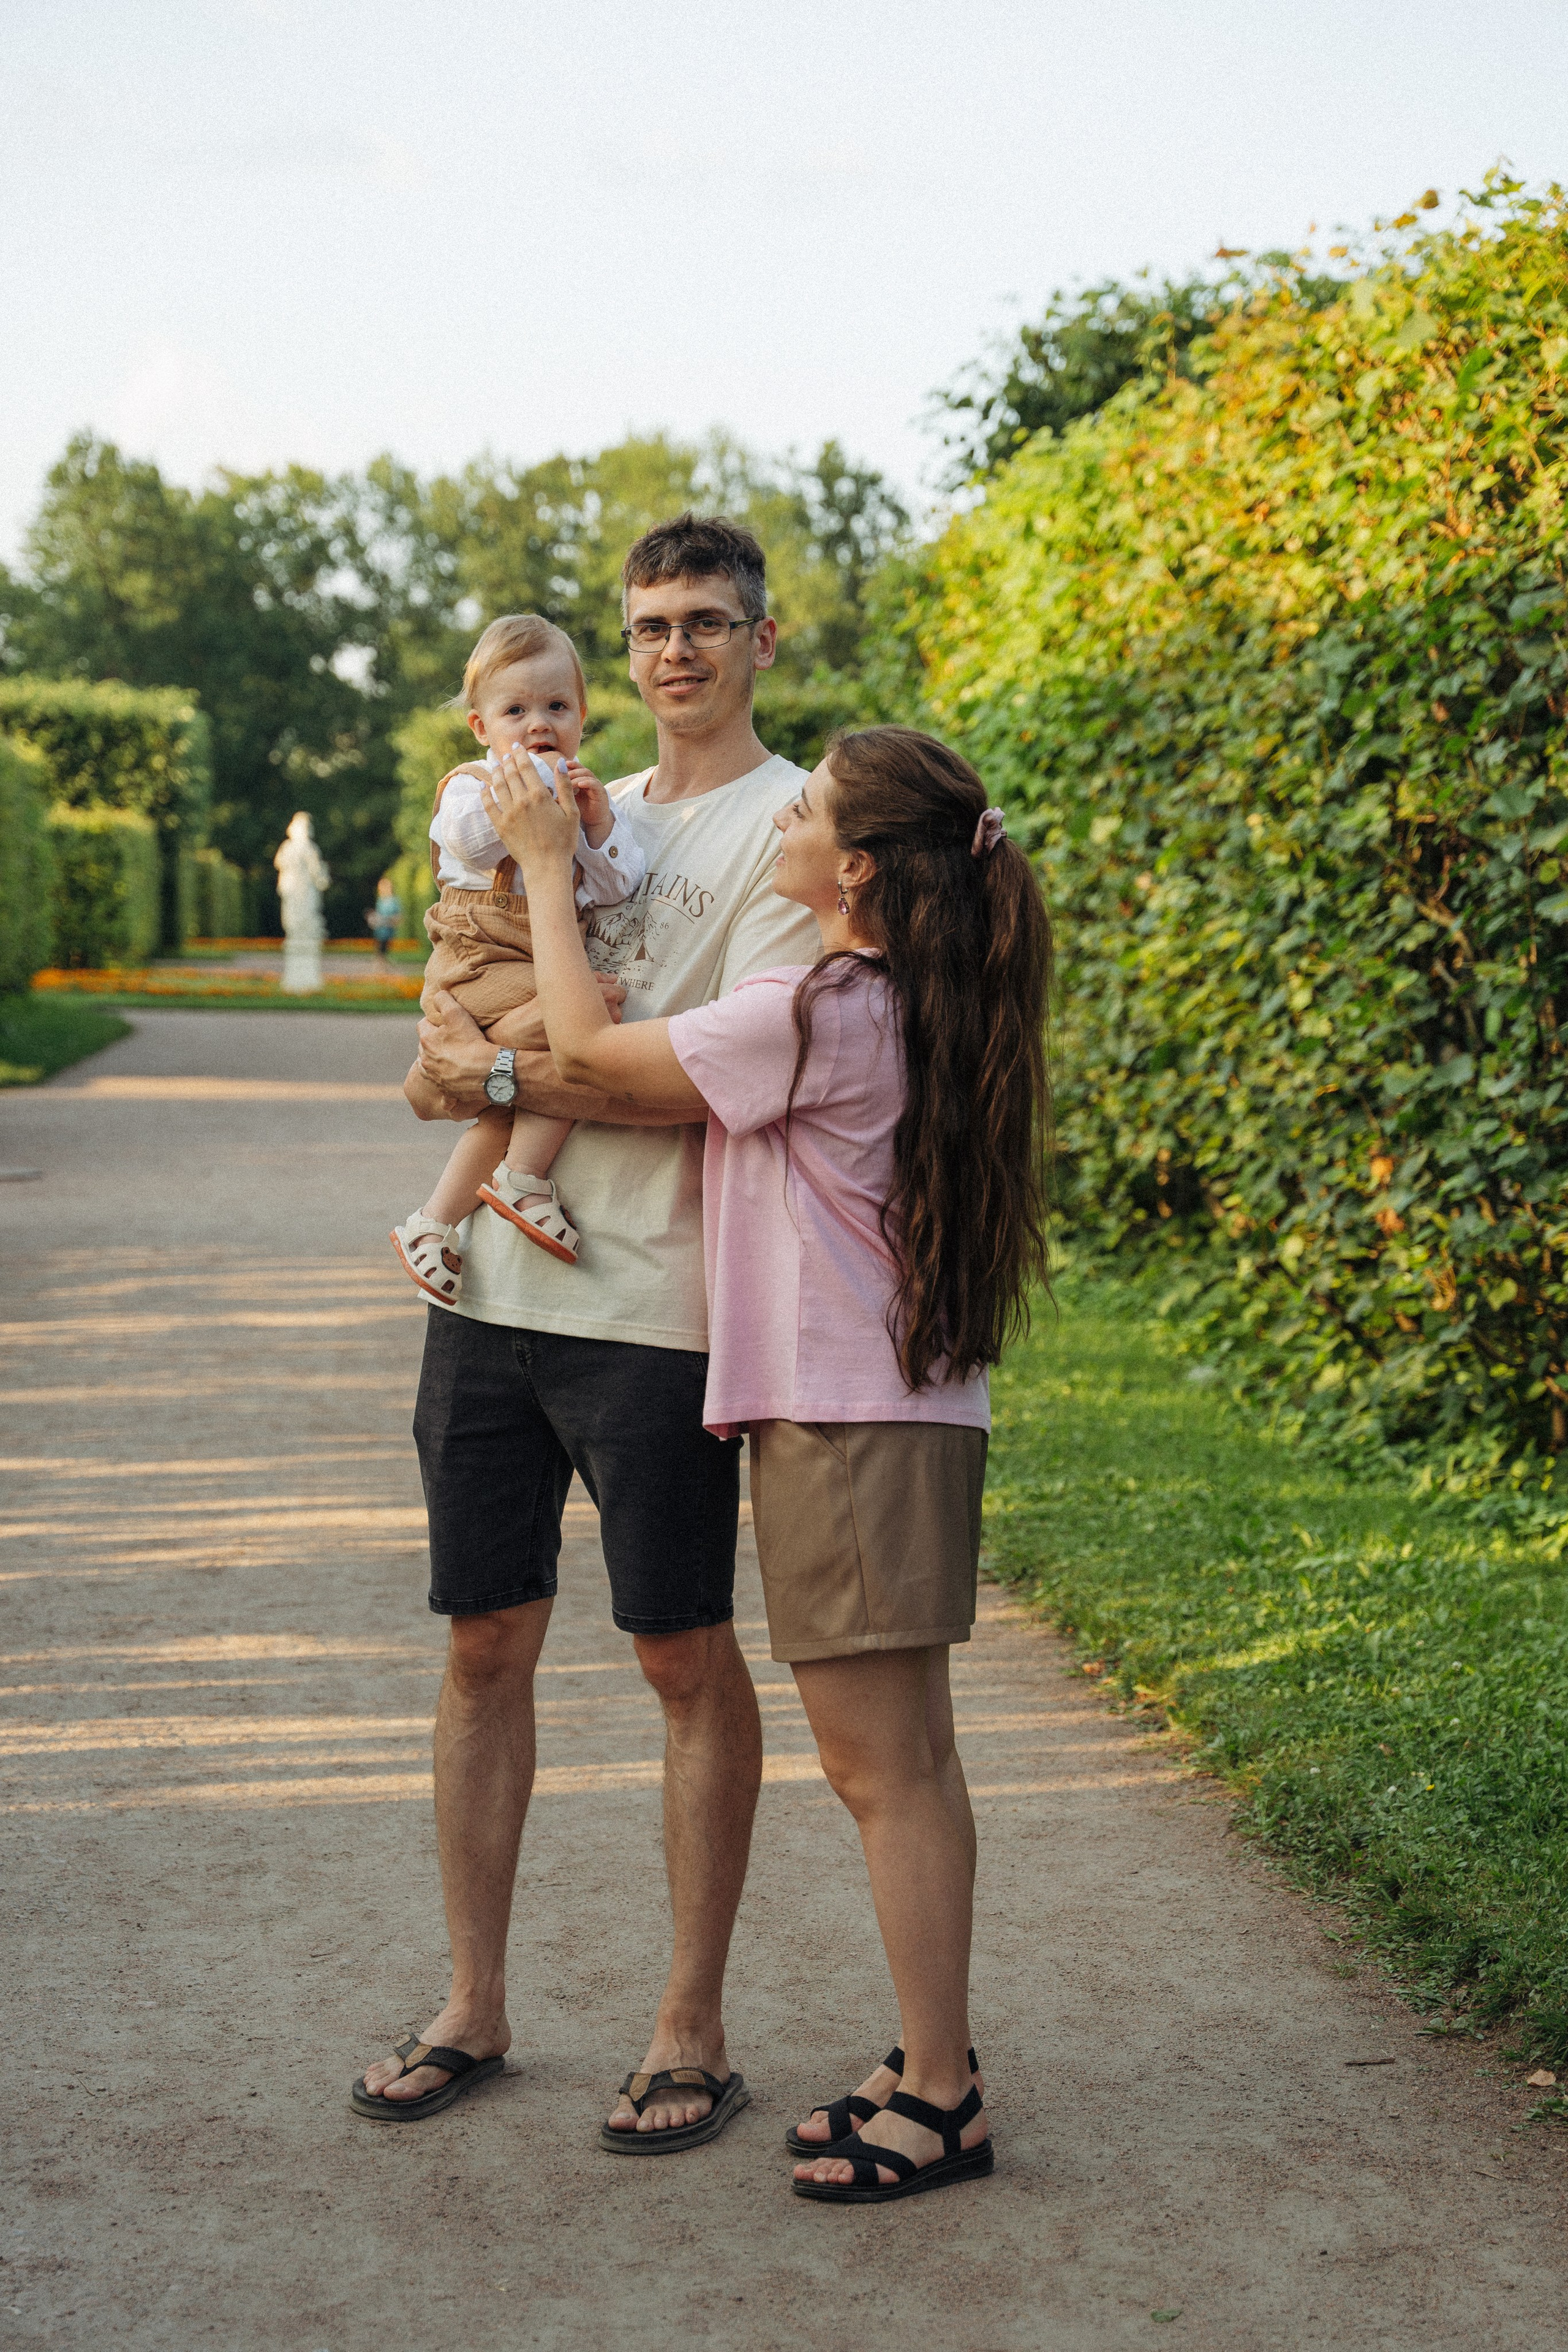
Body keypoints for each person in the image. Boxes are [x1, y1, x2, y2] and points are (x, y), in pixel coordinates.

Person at [484, 720, 1052, 2202]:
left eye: (803, 810)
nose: (783, 821)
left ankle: (939, 2096)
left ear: (851, 869)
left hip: (846, 1420)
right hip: (879, 1412)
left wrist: (546, 868)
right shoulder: (874, 998)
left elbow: (592, 1051)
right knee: (908, 1757)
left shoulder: (808, 1004)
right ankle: (935, 2057)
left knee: (882, 1771)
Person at [350, 516, 820, 2146]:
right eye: (648, 626)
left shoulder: (793, 824)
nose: (672, 650)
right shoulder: (553, 786)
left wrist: (485, 1066)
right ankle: (473, 2006)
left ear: (764, 639)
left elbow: (690, 1078)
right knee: (485, 1639)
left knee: (678, 1653)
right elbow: (447, 1032)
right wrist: (484, 1069)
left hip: (661, 1302)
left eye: (705, 621)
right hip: (492, 1287)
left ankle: (690, 2026)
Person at [389, 616, 647, 1292]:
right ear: (480, 728)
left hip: (532, 965)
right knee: (584, 1027)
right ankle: (523, 1179)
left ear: (582, 716)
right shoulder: (471, 787)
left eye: (557, 707)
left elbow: (618, 884)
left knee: (524, 1085)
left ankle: (436, 1222)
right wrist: (534, 784)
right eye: (516, 711)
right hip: (479, 961)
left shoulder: (586, 796)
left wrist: (595, 826)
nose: (539, 724)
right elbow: (474, 842)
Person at [366, 873, 401, 963]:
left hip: (387, 931)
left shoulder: (394, 901)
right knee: (379, 953)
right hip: (379, 931)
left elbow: (399, 918)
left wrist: (387, 921)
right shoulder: (380, 901)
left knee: (382, 952)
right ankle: (383, 970)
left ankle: (384, 971)